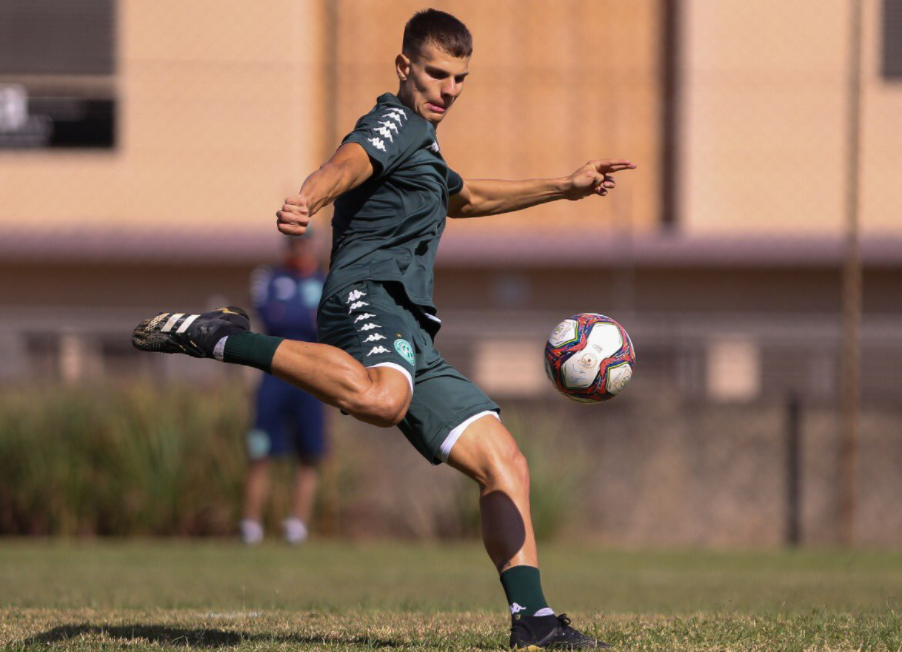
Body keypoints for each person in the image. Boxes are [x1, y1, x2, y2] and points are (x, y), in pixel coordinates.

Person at [133, 8, 634, 648]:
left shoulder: (424, 145)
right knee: (382, 397)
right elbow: (350, 161)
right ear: (405, 68)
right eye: (435, 73)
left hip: (410, 331)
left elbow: (466, 198)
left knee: (504, 461)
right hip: (364, 298)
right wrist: (308, 198)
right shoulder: (395, 121)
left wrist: (563, 186)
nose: (448, 89)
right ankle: (223, 337)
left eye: (460, 78)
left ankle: (533, 622)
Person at [239, 234, 328, 546]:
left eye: (305, 241)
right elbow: (274, 317)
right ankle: (250, 525)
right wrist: (304, 320)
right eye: (294, 241)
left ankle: (296, 526)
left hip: (312, 377)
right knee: (260, 451)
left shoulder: (326, 280)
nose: (299, 246)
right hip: (274, 375)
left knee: (310, 454)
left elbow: (326, 323)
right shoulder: (268, 277)